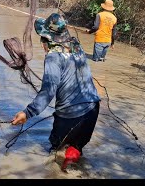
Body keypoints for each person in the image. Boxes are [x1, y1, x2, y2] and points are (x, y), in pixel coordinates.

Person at [12, 13, 101, 170]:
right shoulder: (76, 46)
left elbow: (48, 91)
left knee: (56, 154)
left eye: (43, 39)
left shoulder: (53, 58)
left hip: (70, 116)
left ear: (47, 40)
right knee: (75, 150)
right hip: (92, 110)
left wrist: (27, 113)